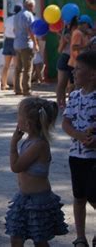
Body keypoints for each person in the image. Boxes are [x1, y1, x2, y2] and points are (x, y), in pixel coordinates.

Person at [5, 96, 68, 246]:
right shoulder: (29, 141)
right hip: (23, 199)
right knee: (16, 237)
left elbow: (16, 166)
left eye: (18, 115)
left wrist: (13, 144)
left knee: (40, 240)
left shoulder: (39, 145)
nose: (16, 118)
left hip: (39, 201)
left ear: (28, 122)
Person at [62, 50, 96, 247]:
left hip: (93, 157)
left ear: (92, 75)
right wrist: (78, 135)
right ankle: (80, 237)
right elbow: (66, 123)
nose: (73, 72)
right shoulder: (74, 96)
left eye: (78, 69)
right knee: (79, 197)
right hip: (76, 155)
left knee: (93, 195)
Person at [13, 0, 39, 96]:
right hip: (26, 44)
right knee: (28, 68)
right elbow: (31, 31)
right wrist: (35, 43)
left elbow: (14, 30)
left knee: (18, 68)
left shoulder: (17, 15)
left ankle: (17, 89)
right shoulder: (29, 15)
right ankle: (26, 90)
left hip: (17, 44)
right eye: (33, 6)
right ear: (31, 6)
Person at [0, 5, 21, 91]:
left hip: (7, 41)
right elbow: (16, 31)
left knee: (6, 65)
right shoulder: (18, 19)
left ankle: (4, 84)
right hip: (15, 41)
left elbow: (4, 30)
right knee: (17, 66)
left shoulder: (8, 19)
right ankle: (16, 86)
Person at [56, 23, 72, 109]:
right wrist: (65, 40)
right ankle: (60, 102)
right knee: (62, 83)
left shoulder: (79, 34)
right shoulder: (65, 36)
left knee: (72, 84)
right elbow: (60, 50)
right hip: (65, 58)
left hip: (74, 59)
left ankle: (69, 103)